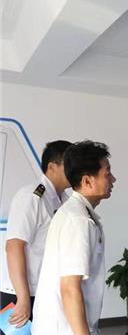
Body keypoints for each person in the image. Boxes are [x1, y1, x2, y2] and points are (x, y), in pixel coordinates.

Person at [31, 141, 116, 335]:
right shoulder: (78, 220)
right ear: (87, 181)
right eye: (107, 173)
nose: (113, 179)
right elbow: (70, 288)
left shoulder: (75, 212)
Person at [1, 140, 72, 334]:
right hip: (22, 292)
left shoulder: (65, 201)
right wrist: (23, 298)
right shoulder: (31, 197)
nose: (76, 170)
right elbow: (14, 246)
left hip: (45, 291)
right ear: (52, 167)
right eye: (70, 164)